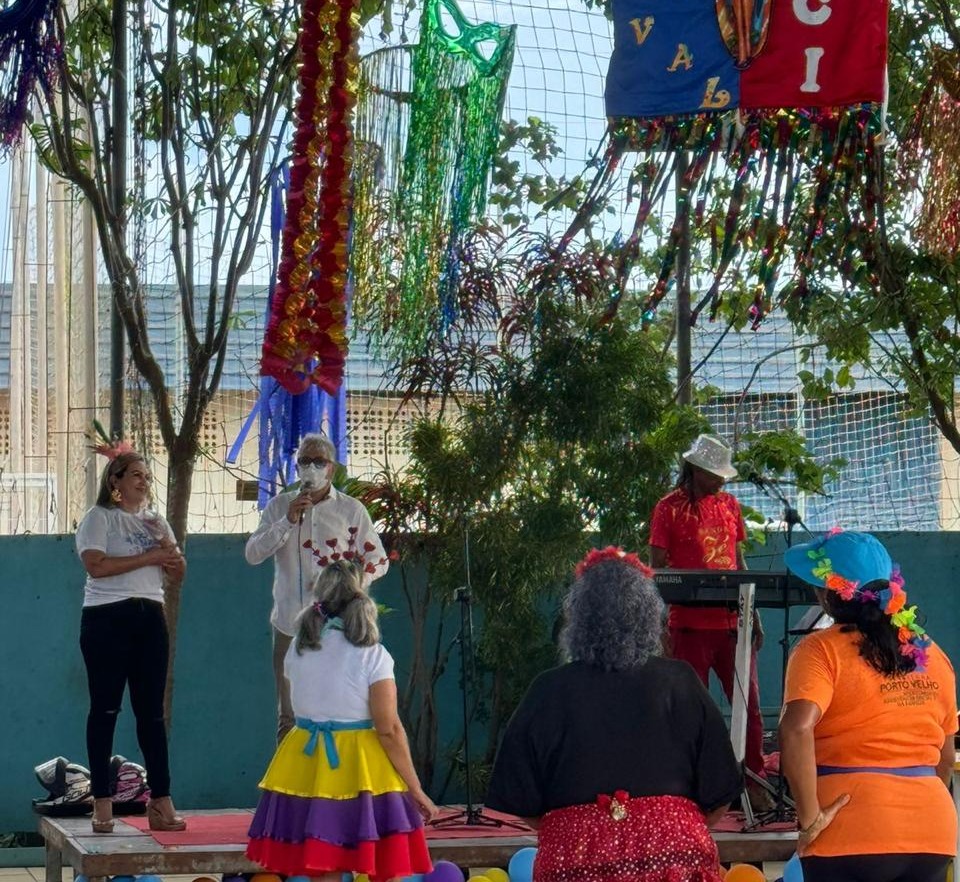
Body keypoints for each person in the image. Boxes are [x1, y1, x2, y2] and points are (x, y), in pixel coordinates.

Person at [486, 547, 741, 882]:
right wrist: (667, 823)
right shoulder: (680, 681)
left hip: (575, 859)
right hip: (674, 857)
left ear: (577, 619)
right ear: (650, 615)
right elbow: (722, 792)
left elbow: (520, 800)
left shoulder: (547, 689)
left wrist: (581, 826)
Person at [780, 530, 957, 882]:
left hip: (850, 834)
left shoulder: (819, 650)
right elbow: (946, 756)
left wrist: (810, 817)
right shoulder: (932, 654)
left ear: (828, 595)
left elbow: (796, 727)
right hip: (932, 833)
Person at [246, 559, 437, 881]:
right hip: (361, 763)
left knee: (323, 863)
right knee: (382, 862)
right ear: (361, 596)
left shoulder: (298, 649)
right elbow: (388, 728)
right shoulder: (372, 655)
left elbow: (300, 703)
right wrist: (415, 789)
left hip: (305, 760)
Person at [649, 433, 771, 810]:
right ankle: (689, 783)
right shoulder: (667, 508)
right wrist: (659, 625)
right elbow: (656, 568)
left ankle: (755, 781)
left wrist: (754, 613)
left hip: (731, 622)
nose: (721, 480)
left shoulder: (730, 505)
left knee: (747, 704)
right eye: (715, 473)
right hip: (687, 624)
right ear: (696, 469)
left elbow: (737, 560)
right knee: (689, 707)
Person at [245, 433, 388, 743]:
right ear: (296, 468)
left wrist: (349, 586)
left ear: (331, 469)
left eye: (318, 461)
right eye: (304, 461)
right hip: (289, 625)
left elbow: (378, 559)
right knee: (289, 715)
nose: (310, 467)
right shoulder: (280, 506)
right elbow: (253, 553)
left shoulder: (351, 510)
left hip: (338, 627)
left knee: (339, 709)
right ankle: (289, 791)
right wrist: (286, 521)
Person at [75, 449, 187, 834]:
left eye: (147, 475)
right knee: (105, 709)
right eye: (135, 474)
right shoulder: (99, 518)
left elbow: (177, 573)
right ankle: (102, 801)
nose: (143, 480)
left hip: (149, 616)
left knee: (151, 713)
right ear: (116, 481)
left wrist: (168, 553)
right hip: (107, 617)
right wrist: (150, 556)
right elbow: (96, 565)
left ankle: (161, 798)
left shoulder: (156, 521)